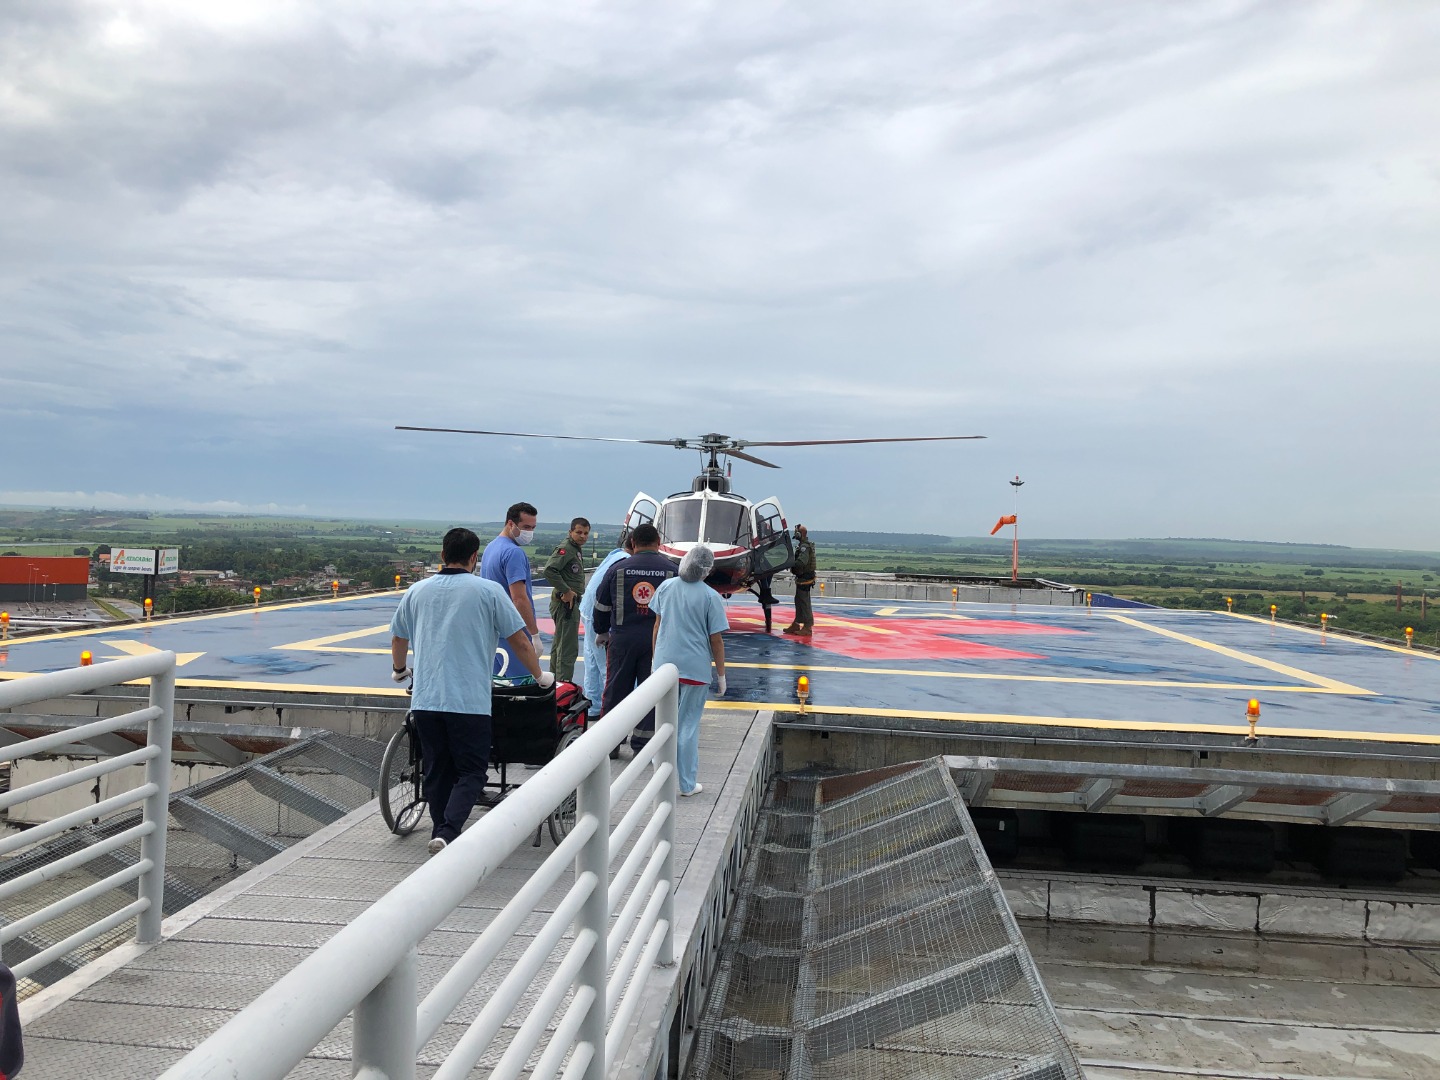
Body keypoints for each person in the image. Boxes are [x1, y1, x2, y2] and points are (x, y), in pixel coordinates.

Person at [390, 527, 553, 856]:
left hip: (427, 699)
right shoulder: (488, 592)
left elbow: (398, 638)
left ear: (442, 555)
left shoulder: (417, 591)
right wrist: (539, 675)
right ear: (474, 558)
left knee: (436, 770)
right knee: (472, 772)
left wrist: (399, 670)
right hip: (469, 702)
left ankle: (441, 831)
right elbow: (519, 640)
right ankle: (448, 831)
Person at [652, 545, 728, 797]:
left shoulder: (666, 587)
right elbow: (715, 640)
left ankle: (659, 777)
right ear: (706, 569)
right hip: (695, 669)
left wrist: (656, 657)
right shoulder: (710, 597)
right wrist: (721, 675)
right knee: (687, 726)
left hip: (664, 665)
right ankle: (686, 784)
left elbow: (657, 626)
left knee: (663, 723)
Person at [592, 523, 675, 755]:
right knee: (652, 692)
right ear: (659, 543)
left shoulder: (617, 569)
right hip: (657, 643)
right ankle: (644, 745)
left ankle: (610, 745)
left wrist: (601, 630)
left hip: (622, 640)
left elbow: (601, 605)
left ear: (632, 544)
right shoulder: (672, 570)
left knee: (616, 690)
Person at [480, 501, 540, 678]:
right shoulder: (514, 553)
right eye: (525, 527)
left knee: (498, 688)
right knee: (523, 686)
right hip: (514, 634)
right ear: (510, 523)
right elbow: (519, 598)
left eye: (533, 528)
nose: (529, 533)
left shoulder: (491, 547)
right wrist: (534, 634)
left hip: (493, 631)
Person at [580, 533, 632, 712]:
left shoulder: (615, 554)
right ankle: (611, 712)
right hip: (598, 614)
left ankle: (593, 707)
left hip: (587, 610)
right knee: (607, 667)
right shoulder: (625, 561)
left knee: (592, 663)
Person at [542, 517, 590, 683]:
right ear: (570, 532)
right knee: (567, 649)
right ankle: (564, 686)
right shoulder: (567, 548)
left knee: (560, 645)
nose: (582, 536)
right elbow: (549, 570)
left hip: (567, 602)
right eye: (578, 532)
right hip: (566, 603)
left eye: (585, 533)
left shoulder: (575, 548)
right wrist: (567, 591)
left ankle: (556, 684)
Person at [783, 524, 817, 635]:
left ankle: (808, 627)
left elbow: (802, 562)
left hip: (805, 578)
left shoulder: (804, 547)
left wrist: (791, 563)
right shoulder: (803, 545)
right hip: (802, 578)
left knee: (804, 601)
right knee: (798, 600)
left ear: (800, 534)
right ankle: (797, 623)